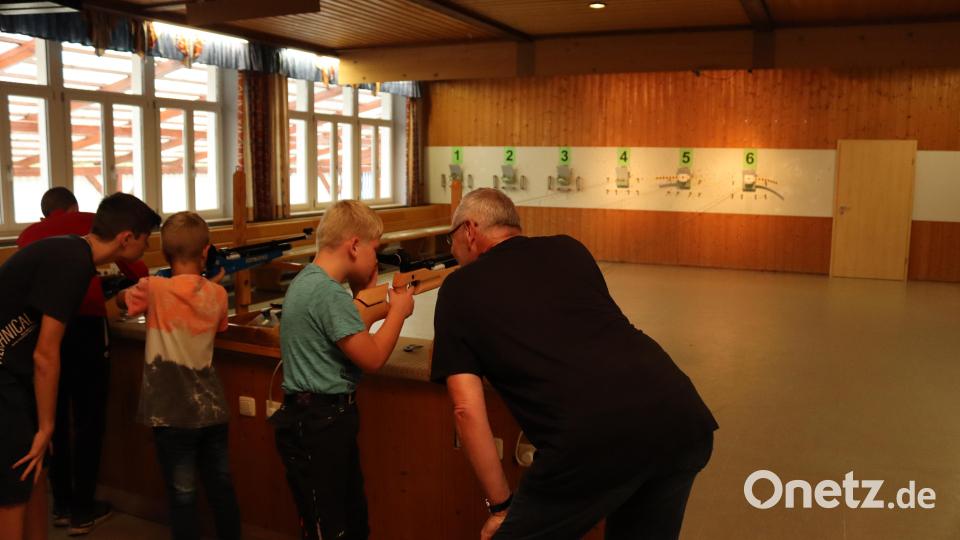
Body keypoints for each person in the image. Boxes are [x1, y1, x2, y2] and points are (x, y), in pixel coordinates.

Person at [431, 188, 719, 540]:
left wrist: (501, 507)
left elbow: (465, 409)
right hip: (680, 415)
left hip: (592, 440)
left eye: (452, 237)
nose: (452, 249)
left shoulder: (458, 289)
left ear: (470, 231)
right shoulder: (569, 248)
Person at [0, 193, 160, 540]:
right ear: (126, 238)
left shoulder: (76, 254)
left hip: (16, 372)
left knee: (35, 473)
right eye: (147, 238)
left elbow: (66, 317)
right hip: (6, 376)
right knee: (16, 483)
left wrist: (121, 301)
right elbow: (46, 353)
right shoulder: (72, 262)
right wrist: (46, 427)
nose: (148, 248)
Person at [271, 200, 414, 540]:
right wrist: (398, 311)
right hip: (321, 422)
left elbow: (345, 327)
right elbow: (373, 356)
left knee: (345, 519)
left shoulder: (309, 281)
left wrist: (367, 293)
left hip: (316, 419)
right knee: (332, 526)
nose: (375, 258)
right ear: (354, 245)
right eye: (373, 250)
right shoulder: (328, 295)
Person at [116, 211, 240, 540]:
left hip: (170, 414)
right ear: (206, 252)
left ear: (165, 252)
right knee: (221, 489)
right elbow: (217, 324)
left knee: (182, 496)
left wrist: (119, 294)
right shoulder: (217, 294)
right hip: (211, 409)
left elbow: (124, 304)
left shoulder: (153, 288)